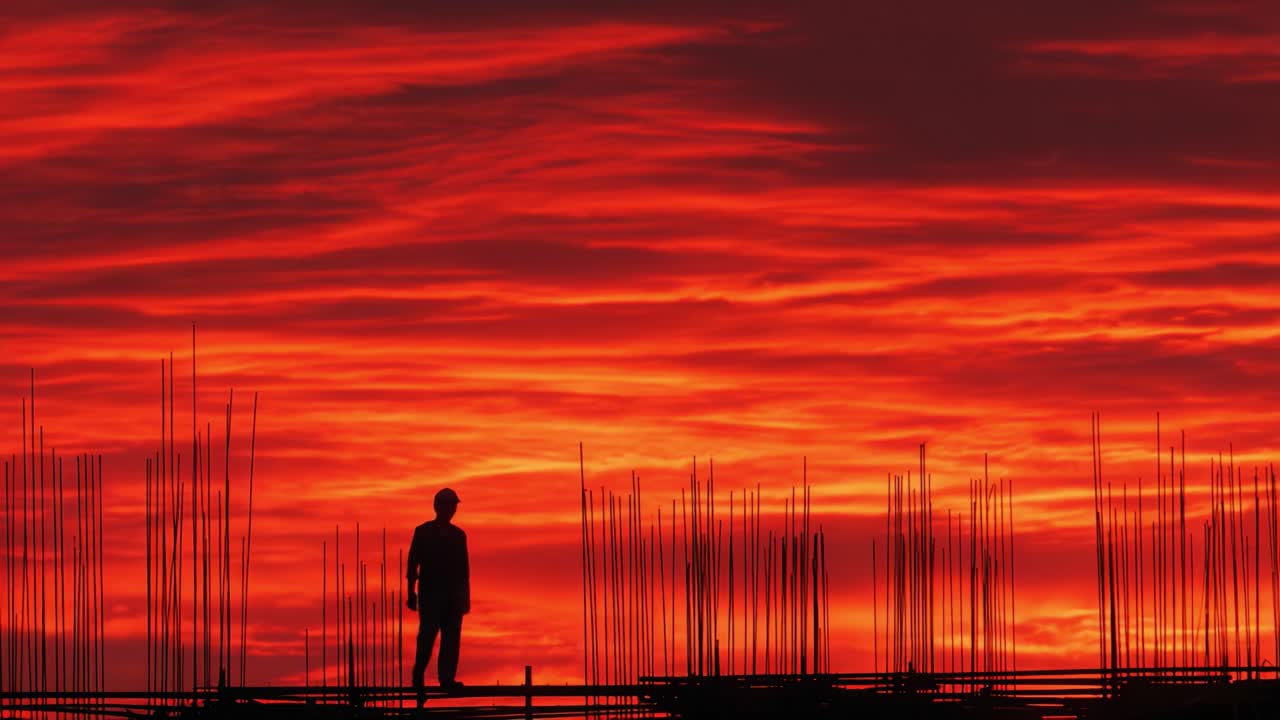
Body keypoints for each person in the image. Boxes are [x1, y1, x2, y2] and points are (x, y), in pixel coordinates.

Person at [407, 487, 470, 705]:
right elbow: (412, 563)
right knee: (427, 637)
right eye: (447, 505)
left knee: (451, 639)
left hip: (453, 597)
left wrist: (464, 598)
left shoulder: (458, 536)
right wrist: (410, 593)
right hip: (431, 596)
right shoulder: (423, 532)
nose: (451, 510)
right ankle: (418, 676)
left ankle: (446, 679)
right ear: (437, 507)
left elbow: (464, 569)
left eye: (453, 506)